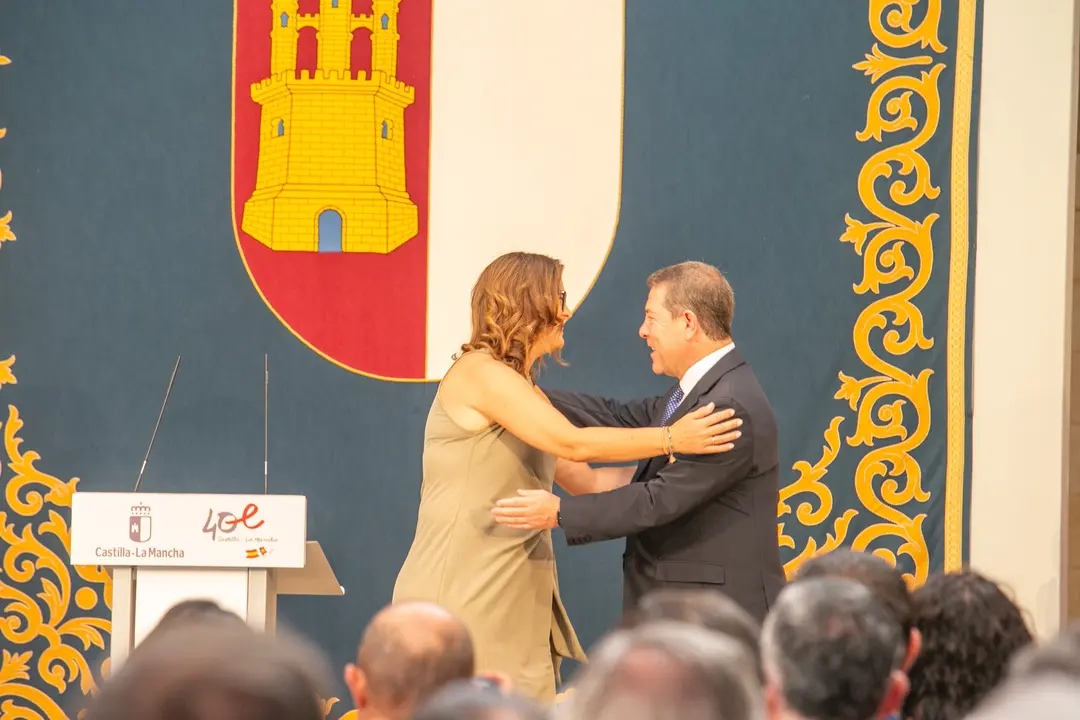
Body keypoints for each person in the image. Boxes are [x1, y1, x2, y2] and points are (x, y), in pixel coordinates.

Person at [393, 252, 743, 705]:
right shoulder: (479, 374)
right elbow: (573, 443)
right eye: (557, 296)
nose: (567, 310)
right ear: (526, 302)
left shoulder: (520, 387)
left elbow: (591, 484)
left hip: (513, 589)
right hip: (463, 586)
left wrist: (685, 473)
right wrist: (672, 439)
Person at [491, 261, 784, 623]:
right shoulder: (702, 390)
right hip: (693, 610)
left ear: (688, 323)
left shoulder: (727, 406)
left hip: (717, 616)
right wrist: (517, 392)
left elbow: (657, 499)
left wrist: (560, 513)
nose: (643, 331)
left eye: (651, 318)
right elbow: (617, 414)